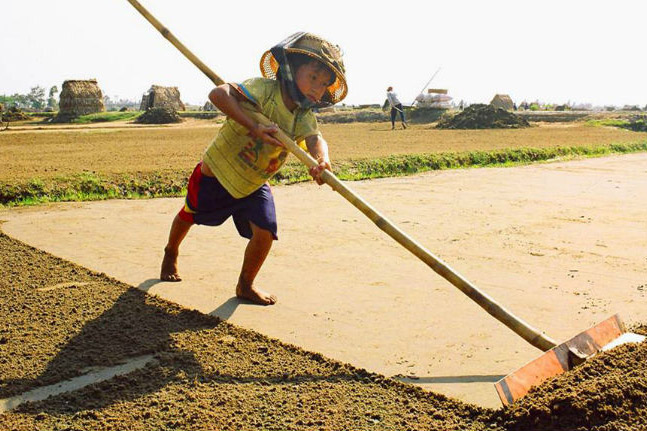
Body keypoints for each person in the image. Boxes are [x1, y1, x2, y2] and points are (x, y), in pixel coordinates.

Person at [160, 32, 347, 305]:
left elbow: (315, 139)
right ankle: (171, 251)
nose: (317, 87)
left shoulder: (303, 115)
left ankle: (245, 285)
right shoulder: (263, 90)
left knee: (265, 232)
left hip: (254, 183)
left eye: (324, 83)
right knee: (189, 213)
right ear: (291, 70)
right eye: (313, 76)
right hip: (218, 173)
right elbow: (218, 93)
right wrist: (253, 126)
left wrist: (322, 160)